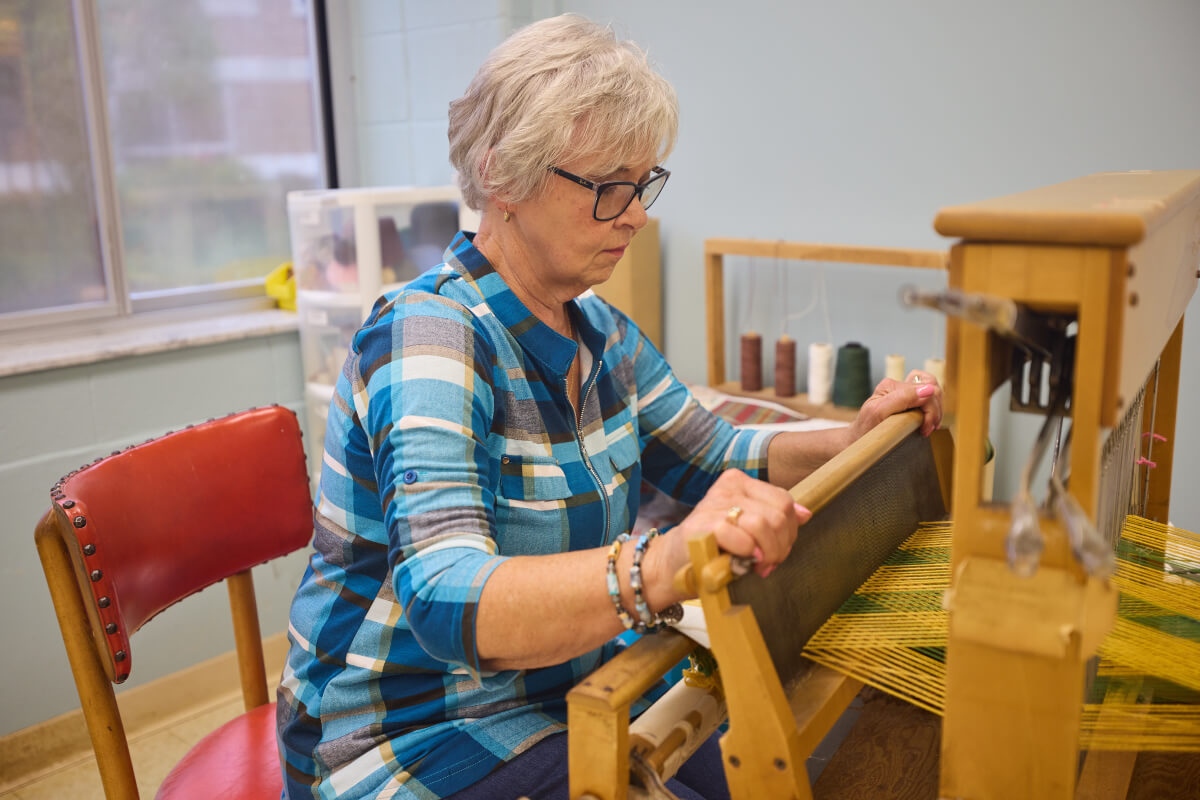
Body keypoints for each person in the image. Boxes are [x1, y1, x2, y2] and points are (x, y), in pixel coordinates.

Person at [276, 14, 942, 800]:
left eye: (644, 183)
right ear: (503, 177)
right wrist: (660, 563)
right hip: (411, 727)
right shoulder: (428, 338)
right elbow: (445, 595)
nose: (636, 213)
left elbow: (717, 454)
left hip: (567, 688)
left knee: (785, 767)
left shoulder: (600, 333)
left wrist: (852, 437)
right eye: (607, 187)